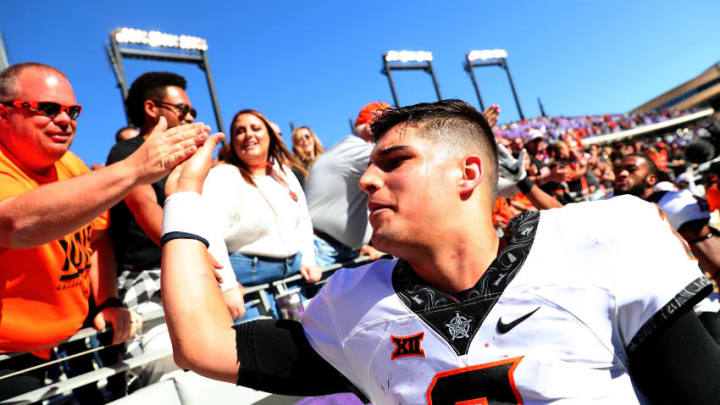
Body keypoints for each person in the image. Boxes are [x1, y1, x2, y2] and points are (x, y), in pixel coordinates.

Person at [160, 99, 720, 404]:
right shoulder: (352, 307)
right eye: (368, 165)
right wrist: (184, 200)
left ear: (468, 173)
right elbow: (201, 345)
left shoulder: (600, 239)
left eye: (394, 161)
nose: (367, 181)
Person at [0, 62, 209, 399]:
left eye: (73, 111)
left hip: (71, 343)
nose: (65, 120)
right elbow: (15, 224)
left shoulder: (72, 165)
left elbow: (97, 239)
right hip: (9, 358)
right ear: (4, 113)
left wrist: (107, 301)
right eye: (49, 108)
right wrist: (133, 170)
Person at [105, 71, 238, 386]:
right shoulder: (127, 153)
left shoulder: (187, 159)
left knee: (225, 364)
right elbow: (147, 210)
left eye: (193, 111)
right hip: (150, 278)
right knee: (175, 372)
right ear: (152, 108)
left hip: (200, 267)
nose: (190, 116)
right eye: (182, 109)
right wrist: (199, 261)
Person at [206, 109, 321, 321]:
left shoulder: (285, 174)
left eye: (255, 128)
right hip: (248, 284)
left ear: (269, 136)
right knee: (263, 349)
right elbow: (210, 232)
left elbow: (303, 220)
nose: (248, 134)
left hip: (293, 278)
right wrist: (228, 286)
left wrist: (309, 259)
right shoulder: (221, 175)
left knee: (303, 341)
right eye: (240, 131)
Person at [305, 102, 389, 267]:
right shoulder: (353, 149)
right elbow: (393, 158)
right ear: (371, 127)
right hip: (324, 250)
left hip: (336, 250)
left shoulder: (348, 149)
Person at [615, 153, 720, 284]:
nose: (622, 174)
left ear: (651, 179)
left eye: (631, 170)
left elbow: (712, 257)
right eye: (618, 171)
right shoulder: (616, 210)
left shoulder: (670, 205)